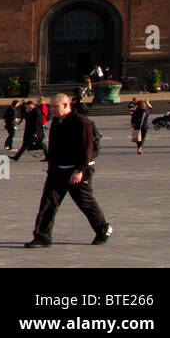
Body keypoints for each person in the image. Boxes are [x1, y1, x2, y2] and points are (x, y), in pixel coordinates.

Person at [25, 94, 112, 248]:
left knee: (86, 203)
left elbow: (87, 148)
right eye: (51, 107)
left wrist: (80, 170)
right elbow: (54, 147)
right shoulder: (57, 122)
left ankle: (103, 230)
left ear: (66, 105)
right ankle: (42, 236)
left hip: (77, 170)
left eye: (55, 107)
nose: (51, 110)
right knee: (48, 204)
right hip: (58, 171)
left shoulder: (81, 122)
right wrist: (51, 168)